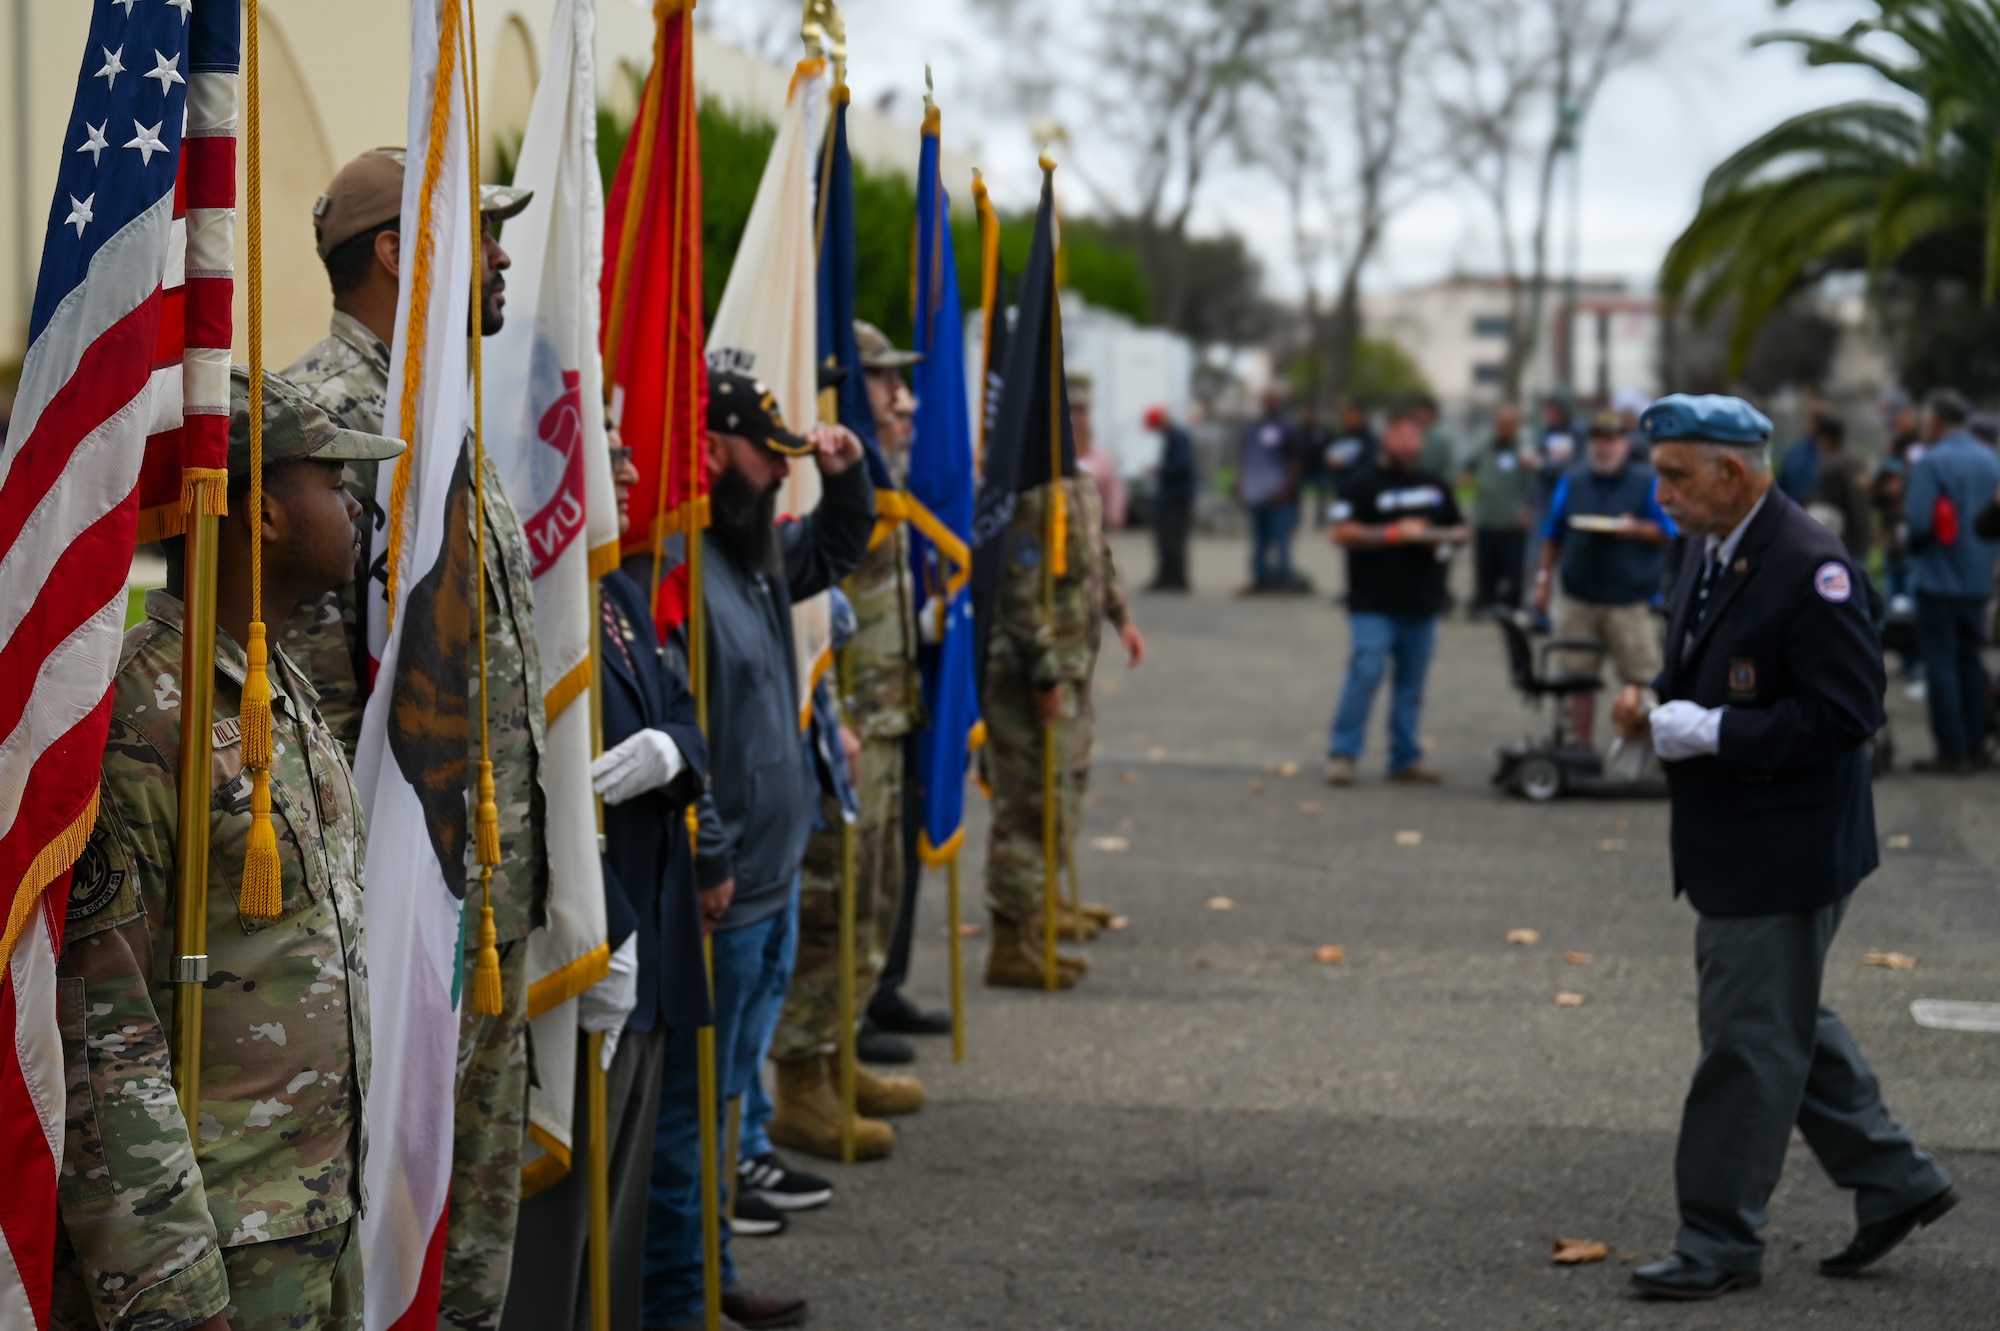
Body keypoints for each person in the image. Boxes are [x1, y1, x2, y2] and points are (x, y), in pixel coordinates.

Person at [51, 368, 402, 1331]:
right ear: (266, 515)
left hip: (312, 1222)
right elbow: (101, 1022)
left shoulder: (271, 685)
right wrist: (171, 1286)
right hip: (215, 1254)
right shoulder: (144, 710)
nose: (355, 505)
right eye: (333, 483)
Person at [281, 148, 548, 1330]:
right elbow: (321, 708)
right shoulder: (325, 432)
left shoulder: (442, 417)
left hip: (482, 901)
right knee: (390, 1236)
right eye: (477, 234)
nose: (498, 258)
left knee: (470, 1230)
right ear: (396, 251)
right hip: (398, 909)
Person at [1613, 393, 1956, 1301]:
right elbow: (1698, 658)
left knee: (1745, 1043)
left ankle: (1719, 1240)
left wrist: (1712, 731)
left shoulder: (1811, 566)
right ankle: (1895, 1179)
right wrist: (1654, 702)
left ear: (1733, 473)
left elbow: (1849, 716)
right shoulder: (1714, 542)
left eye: (1676, 475)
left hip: (1785, 844)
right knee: (1784, 1018)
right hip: (1740, 840)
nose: (1662, 493)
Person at [637, 370, 873, 1331]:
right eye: (763, 452)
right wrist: (711, 854)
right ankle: (680, 1298)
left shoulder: (757, 553)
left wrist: (850, 474)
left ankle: (714, 1264)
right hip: (722, 892)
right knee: (691, 1113)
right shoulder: (678, 570)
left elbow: (836, 545)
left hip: (777, 878)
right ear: (711, 450)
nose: (779, 471)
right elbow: (681, 731)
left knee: (730, 1097)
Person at [498, 433, 710, 1331]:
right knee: (557, 1220)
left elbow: (690, 720)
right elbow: (524, 782)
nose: (629, 470)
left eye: (628, 452)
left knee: (617, 1210)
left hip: (648, 943)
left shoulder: (619, 590)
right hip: (581, 941)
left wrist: (671, 750)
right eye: (608, 455)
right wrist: (600, 924)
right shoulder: (545, 597)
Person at [769, 323, 931, 1160]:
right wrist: (834, 710)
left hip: (886, 711)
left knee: (873, 901)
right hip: (845, 721)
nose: (900, 395)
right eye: (882, 379)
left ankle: (840, 1051)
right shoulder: (807, 463)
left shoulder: (869, 465)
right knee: (830, 907)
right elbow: (807, 600)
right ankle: (801, 1081)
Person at [984, 466, 1144, 987]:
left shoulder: (1076, 483)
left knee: (1062, 789)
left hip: (1074, 662)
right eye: (1064, 412)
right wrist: (1043, 671)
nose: (1073, 423)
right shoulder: (1029, 489)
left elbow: (1096, 561)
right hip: (1029, 674)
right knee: (1028, 804)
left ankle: (1045, 907)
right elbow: (1021, 591)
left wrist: (1121, 617)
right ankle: (1012, 943)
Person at [1324, 404, 1469, 786]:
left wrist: (1449, 537)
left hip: (1422, 602)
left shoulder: (1434, 485)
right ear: (1386, 439)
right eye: (1401, 436)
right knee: (1366, 671)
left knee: (1411, 684)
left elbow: (1459, 529)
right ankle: (1343, 753)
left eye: (1415, 437)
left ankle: (1404, 758)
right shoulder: (1361, 483)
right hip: (1373, 603)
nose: (1409, 444)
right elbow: (1339, 533)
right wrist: (1390, 534)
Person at [1532, 412, 1676, 749]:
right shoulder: (1573, 479)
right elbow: (1552, 535)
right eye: (1598, 440)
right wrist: (1541, 581)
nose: (1604, 447)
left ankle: (1640, 749)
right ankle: (1581, 747)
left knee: (1640, 677)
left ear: (1624, 444)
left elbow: (1670, 532)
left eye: (1611, 440)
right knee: (1576, 676)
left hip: (1630, 599)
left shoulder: (1647, 481)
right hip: (1578, 596)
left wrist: (1636, 528)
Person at [1904, 388, 2000, 772]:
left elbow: (1919, 522)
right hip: (1979, 582)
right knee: (1970, 662)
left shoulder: (1932, 462)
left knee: (1941, 664)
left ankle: (1952, 751)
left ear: (1934, 421)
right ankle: (1977, 744)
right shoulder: (1991, 458)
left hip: (1938, 580)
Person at [1464, 403, 1539, 615]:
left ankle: (1511, 605)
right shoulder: (1484, 446)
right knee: (1485, 567)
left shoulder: (1525, 448)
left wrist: (1530, 507)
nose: (1503, 428)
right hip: (1487, 517)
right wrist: (1467, 485)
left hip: (1513, 520)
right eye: (1499, 423)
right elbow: (1466, 466)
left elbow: (1535, 481)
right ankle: (1484, 603)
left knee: (1514, 569)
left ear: (1517, 426)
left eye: (1509, 424)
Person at [1237, 389, 1304, 593]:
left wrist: (1285, 490)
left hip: (1280, 497)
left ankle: (1285, 581)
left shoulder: (1288, 427)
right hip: (1258, 496)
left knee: (1282, 541)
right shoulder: (1254, 428)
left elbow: (1296, 461)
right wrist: (1243, 485)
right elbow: (1246, 459)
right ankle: (1260, 580)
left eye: (1272, 399)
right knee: (1259, 541)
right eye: (1265, 400)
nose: (1268, 404)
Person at [1801, 414, 1874, 561]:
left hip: (1850, 538)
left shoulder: (1849, 462)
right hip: (1837, 534)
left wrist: (1863, 541)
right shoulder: (1832, 459)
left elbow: (1859, 501)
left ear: (1828, 438)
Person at [1144, 403, 1197, 592]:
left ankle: (1177, 579)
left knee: (1173, 539)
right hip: (1171, 497)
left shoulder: (1178, 437)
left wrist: (1160, 470)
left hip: (1177, 497)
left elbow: (1182, 465)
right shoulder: (1172, 436)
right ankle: (1166, 577)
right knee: (1164, 539)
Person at [1071, 372, 1127, 530]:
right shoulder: (1053, 457)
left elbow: (1113, 491)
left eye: (1081, 411)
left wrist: (1115, 514)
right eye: (1071, 410)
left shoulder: (1100, 458)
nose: (1075, 418)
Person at [1414, 394, 1459, 479]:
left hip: (1434, 484)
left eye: (1422, 413)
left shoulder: (1439, 438)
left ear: (1432, 414)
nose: (1419, 417)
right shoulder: (1417, 434)